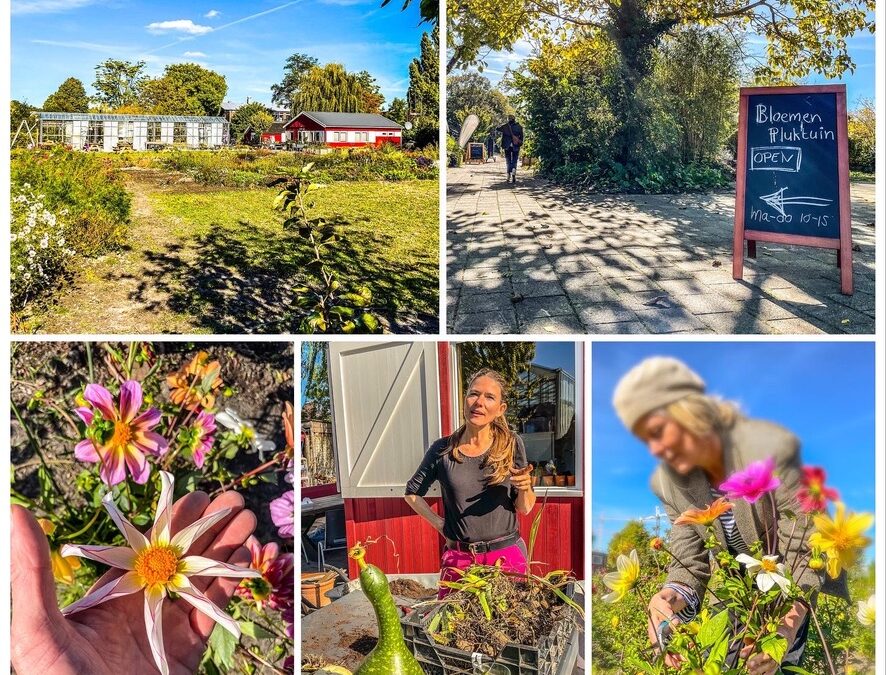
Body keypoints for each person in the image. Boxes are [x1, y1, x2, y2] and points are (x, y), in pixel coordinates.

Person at [612, 356, 819, 675]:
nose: (654, 449)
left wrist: (784, 632)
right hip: (738, 590)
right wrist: (668, 598)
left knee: (780, 663)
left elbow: (805, 553)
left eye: (657, 431)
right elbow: (688, 560)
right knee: (726, 661)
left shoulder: (771, 450)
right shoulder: (671, 483)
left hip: (787, 586)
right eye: (645, 439)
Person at [11, 490, 257, 675]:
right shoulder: (143, 569)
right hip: (150, 571)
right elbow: (101, 591)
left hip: (166, 568)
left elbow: (207, 580)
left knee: (213, 573)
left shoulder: (161, 563)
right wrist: (78, 550)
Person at [405, 368, 536, 596]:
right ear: (465, 400)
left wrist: (525, 488)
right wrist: (439, 524)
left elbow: (524, 508)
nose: (479, 402)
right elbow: (412, 492)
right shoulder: (442, 449)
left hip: (506, 558)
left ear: (501, 409)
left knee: (509, 617)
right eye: (474, 394)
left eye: (489, 397)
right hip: (460, 561)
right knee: (451, 618)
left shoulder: (511, 444)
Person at [497, 115, 523, 184]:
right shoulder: (519, 126)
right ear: (514, 119)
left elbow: (497, 128)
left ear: (508, 119)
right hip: (516, 145)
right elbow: (521, 137)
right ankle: (513, 170)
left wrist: (501, 124)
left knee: (508, 160)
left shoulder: (505, 126)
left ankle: (508, 175)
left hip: (507, 145)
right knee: (515, 159)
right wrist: (519, 143)